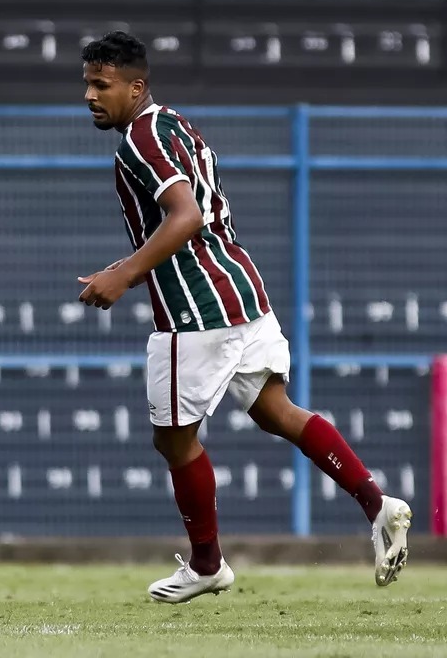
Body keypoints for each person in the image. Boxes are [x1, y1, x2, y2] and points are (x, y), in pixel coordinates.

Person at [77, 31, 411, 603]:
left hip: (196, 309)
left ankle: (208, 564)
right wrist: (128, 264)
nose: (89, 95)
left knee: (174, 441)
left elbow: (182, 217)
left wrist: (125, 276)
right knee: (277, 411)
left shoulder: (139, 139)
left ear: (136, 87)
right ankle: (378, 504)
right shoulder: (175, 123)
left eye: (101, 84)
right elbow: (196, 219)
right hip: (242, 291)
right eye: (87, 83)